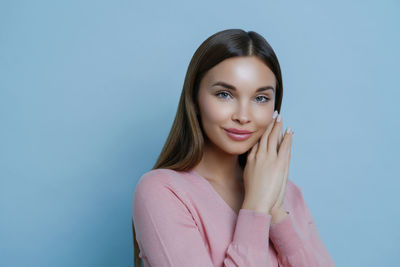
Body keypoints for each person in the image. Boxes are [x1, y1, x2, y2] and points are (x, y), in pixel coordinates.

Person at [131, 29, 336, 267]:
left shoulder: (286, 192)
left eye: (260, 98)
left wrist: (276, 213)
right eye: (224, 94)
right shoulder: (162, 191)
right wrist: (257, 208)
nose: (243, 116)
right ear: (195, 99)